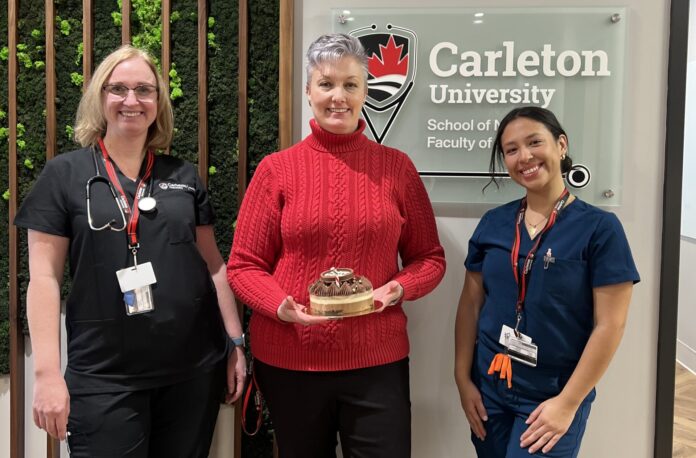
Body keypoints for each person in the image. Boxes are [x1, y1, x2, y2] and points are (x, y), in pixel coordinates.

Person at [14, 45, 246, 457]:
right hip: (105, 380)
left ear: (158, 101)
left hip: (191, 375)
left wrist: (235, 343)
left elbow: (214, 267)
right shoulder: (64, 175)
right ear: (100, 98)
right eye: (118, 89)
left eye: (144, 89)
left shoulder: (183, 176)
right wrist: (47, 374)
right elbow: (44, 279)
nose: (131, 100)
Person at [227, 33, 446, 458]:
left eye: (350, 84)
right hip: (290, 360)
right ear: (308, 92)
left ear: (366, 92)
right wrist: (279, 304)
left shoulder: (396, 168)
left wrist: (398, 288)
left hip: (376, 361)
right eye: (326, 84)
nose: (338, 97)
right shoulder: (276, 171)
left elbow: (429, 259)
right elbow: (243, 266)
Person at [454, 106, 640, 457]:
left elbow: (610, 324)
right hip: (490, 390)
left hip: (552, 396)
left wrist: (568, 403)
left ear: (561, 145)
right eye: (511, 150)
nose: (524, 157)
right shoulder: (494, 222)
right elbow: (470, 304)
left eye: (534, 142)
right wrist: (462, 380)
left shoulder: (600, 230)